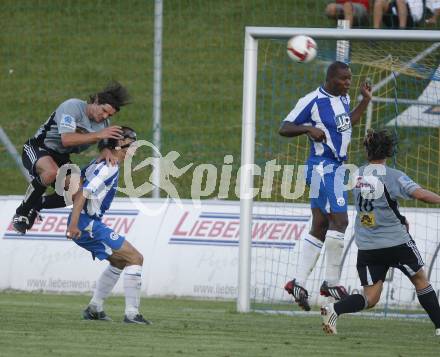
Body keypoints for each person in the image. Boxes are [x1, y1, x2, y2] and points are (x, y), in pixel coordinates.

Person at [321, 129, 440, 335]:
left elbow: (380, 203)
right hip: (396, 242)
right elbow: (419, 194)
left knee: (371, 297)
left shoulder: (356, 174)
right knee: (420, 279)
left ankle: (334, 309)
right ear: (389, 151)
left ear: (367, 151)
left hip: (368, 246)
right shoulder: (394, 176)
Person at [279, 61, 372, 311]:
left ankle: (297, 283)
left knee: (320, 224)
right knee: (340, 221)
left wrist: (365, 100)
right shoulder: (311, 100)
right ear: (331, 78)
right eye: (344, 79)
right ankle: (331, 282)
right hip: (322, 166)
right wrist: (308, 128)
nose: (348, 83)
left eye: (350, 79)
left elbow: (347, 123)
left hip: (336, 167)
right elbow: (284, 127)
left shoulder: (344, 99)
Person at [13, 81, 130, 234]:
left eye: (109, 115)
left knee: (76, 194)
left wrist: (106, 150)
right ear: (95, 101)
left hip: (60, 157)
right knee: (50, 172)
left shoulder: (103, 124)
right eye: (104, 111)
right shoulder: (72, 106)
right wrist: (98, 135)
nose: (105, 116)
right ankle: (22, 212)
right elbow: (66, 139)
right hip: (38, 147)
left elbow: (104, 143)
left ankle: (37, 205)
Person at [66, 126, 150, 324]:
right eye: (133, 142)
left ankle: (95, 308)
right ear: (119, 144)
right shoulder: (108, 167)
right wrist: (74, 225)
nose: (135, 147)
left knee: (120, 261)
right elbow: (82, 194)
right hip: (87, 223)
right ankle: (132, 314)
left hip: (88, 222)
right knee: (135, 258)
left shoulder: (104, 162)